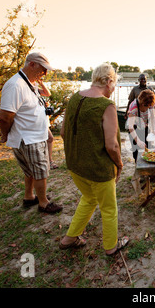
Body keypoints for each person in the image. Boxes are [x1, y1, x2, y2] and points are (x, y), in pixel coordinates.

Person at [59, 63, 129, 254]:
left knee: (89, 198)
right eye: (113, 84)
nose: (113, 89)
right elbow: (112, 145)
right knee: (109, 208)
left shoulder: (74, 98)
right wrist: (119, 164)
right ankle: (111, 247)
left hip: (75, 165)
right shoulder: (106, 105)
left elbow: (63, 132)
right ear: (108, 81)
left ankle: (69, 238)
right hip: (98, 169)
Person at [0, 52, 63, 214]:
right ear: (32, 64)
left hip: (34, 135)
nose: (45, 73)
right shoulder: (16, 85)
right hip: (27, 137)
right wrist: (5, 134)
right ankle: (43, 203)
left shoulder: (28, 83)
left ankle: (29, 197)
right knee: (40, 170)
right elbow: (4, 116)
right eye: (43, 69)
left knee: (31, 171)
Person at [127, 89, 155, 193]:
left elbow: (153, 117)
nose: (147, 108)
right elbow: (130, 127)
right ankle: (140, 175)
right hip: (134, 129)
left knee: (150, 149)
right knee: (137, 152)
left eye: (149, 106)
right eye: (145, 106)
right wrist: (138, 140)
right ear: (140, 101)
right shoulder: (134, 107)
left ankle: (151, 174)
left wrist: (154, 130)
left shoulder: (150, 104)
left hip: (145, 126)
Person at [36, 80, 58, 170]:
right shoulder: (26, 89)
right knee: (48, 139)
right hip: (36, 120)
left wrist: (41, 84)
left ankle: (48, 161)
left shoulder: (35, 89)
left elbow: (47, 93)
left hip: (43, 119)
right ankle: (47, 162)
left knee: (49, 138)